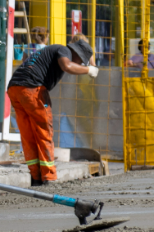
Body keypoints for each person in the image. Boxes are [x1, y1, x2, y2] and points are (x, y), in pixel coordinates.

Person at [7, 34, 99, 187]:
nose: (79, 64)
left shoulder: (53, 51)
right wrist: (88, 69)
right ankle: (49, 177)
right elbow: (67, 66)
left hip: (15, 88)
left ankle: (35, 177)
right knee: (44, 133)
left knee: (28, 135)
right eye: (80, 61)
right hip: (32, 89)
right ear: (77, 54)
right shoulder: (64, 51)